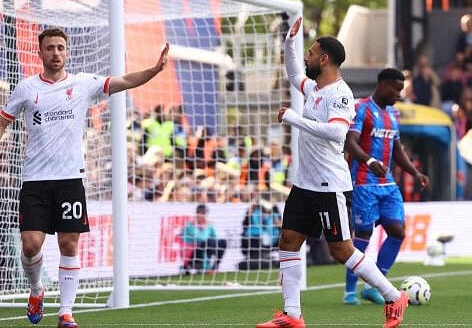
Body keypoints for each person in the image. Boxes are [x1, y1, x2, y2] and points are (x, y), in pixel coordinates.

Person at [0, 28, 169, 328]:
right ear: (39, 53)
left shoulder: (83, 84)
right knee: (30, 245)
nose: (55, 53)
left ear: (67, 52)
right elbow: (1, 121)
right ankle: (37, 288)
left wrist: (154, 70)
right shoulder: (27, 88)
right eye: (50, 48)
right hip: (35, 180)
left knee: (69, 243)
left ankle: (65, 312)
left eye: (60, 48)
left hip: (70, 179)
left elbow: (125, 81)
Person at [256, 17, 409, 328]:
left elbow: (337, 134)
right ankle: (292, 315)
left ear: (324, 58)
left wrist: (293, 118)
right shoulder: (313, 88)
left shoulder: (339, 94)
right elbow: (294, 72)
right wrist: (288, 42)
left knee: (341, 250)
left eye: (311, 52)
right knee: (288, 241)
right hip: (304, 183)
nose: (307, 57)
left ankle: (394, 297)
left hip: (330, 185)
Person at [343, 68, 430, 305]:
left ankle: (375, 285)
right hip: (364, 183)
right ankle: (350, 292)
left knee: (398, 232)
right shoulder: (361, 108)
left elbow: (397, 149)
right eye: (396, 89)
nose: (398, 94)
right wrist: (369, 161)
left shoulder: (393, 114)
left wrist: (414, 172)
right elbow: (350, 142)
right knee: (363, 236)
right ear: (382, 84)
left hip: (388, 184)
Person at [180, 204, 227, 273]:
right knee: (208, 242)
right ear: (197, 214)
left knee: (222, 242)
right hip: (193, 253)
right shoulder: (190, 225)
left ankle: (214, 267)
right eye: (200, 213)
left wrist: (208, 226)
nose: (202, 215)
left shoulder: (208, 225)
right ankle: (197, 266)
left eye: (204, 213)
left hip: (205, 248)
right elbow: (200, 238)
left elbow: (214, 237)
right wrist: (206, 226)